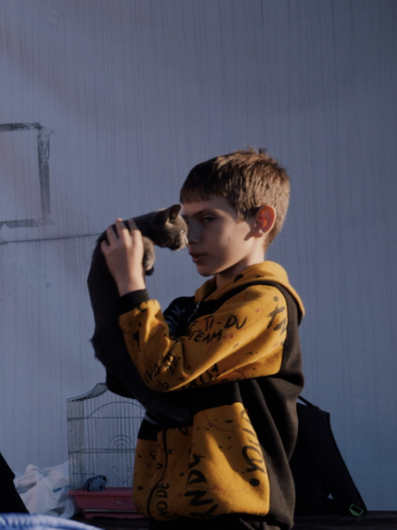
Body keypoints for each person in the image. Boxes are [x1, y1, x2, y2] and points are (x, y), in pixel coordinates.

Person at [100, 149, 304, 530]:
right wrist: (111, 285)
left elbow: (165, 372)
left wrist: (131, 284)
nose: (191, 236)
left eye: (208, 219)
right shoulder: (189, 308)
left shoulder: (265, 302)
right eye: (187, 220)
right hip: (172, 511)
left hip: (235, 517)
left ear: (261, 221)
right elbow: (126, 378)